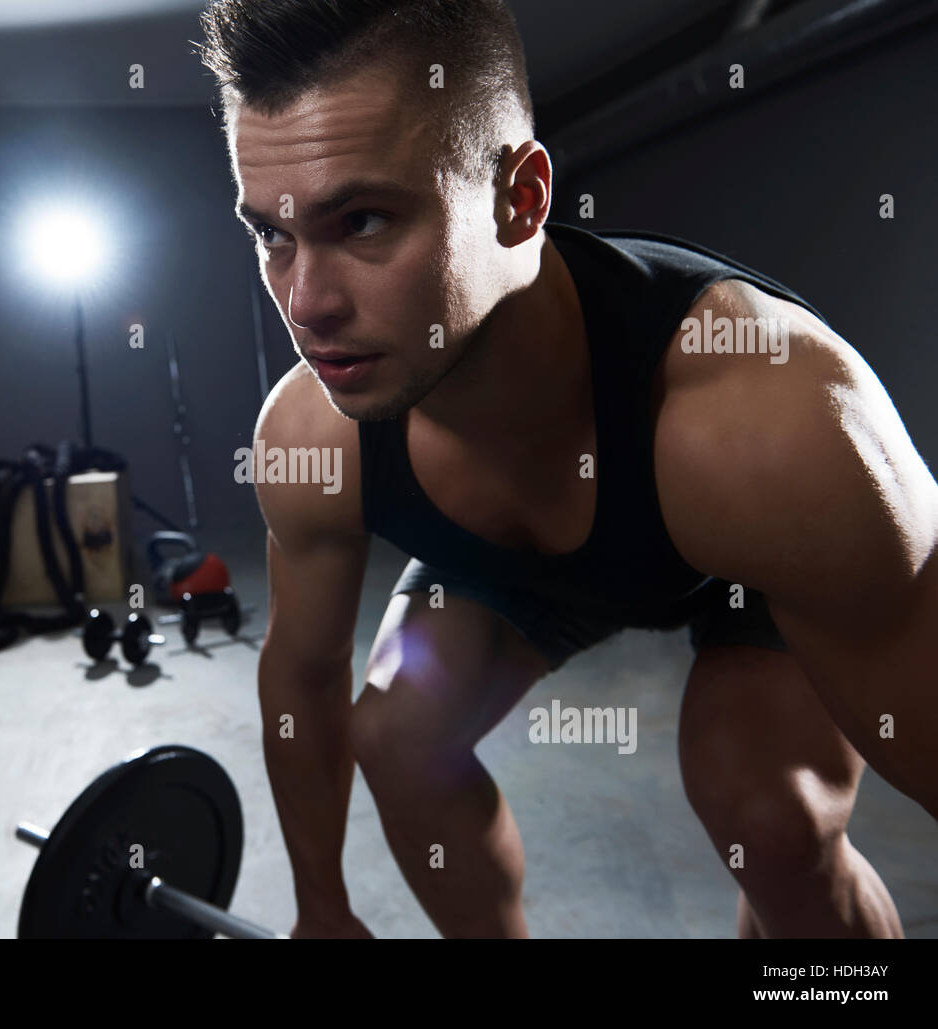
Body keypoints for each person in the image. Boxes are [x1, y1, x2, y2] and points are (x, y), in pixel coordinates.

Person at [198, 0, 938, 938]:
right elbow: (303, 678)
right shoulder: (311, 437)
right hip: (513, 557)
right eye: (272, 233)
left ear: (522, 200)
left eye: (365, 220)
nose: (306, 302)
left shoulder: (773, 426)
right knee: (395, 734)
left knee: (771, 819)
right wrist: (321, 909)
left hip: (736, 562)